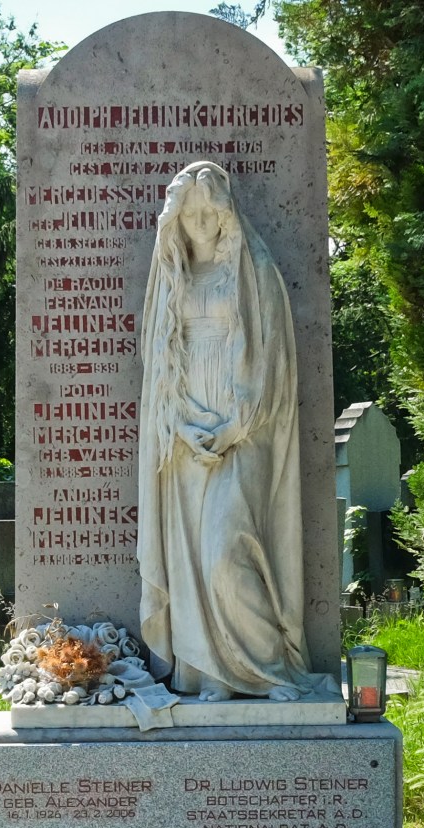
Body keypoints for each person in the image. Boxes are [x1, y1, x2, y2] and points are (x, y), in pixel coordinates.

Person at [138, 161, 317, 702]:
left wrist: (239, 423)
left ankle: (269, 669)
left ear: (225, 213)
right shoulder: (171, 279)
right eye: (189, 214)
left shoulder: (253, 270)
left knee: (225, 553)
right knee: (192, 561)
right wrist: (182, 427)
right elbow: (159, 369)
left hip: (245, 433)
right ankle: (211, 674)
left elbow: (274, 362)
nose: (199, 223)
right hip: (188, 438)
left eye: (208, 212)